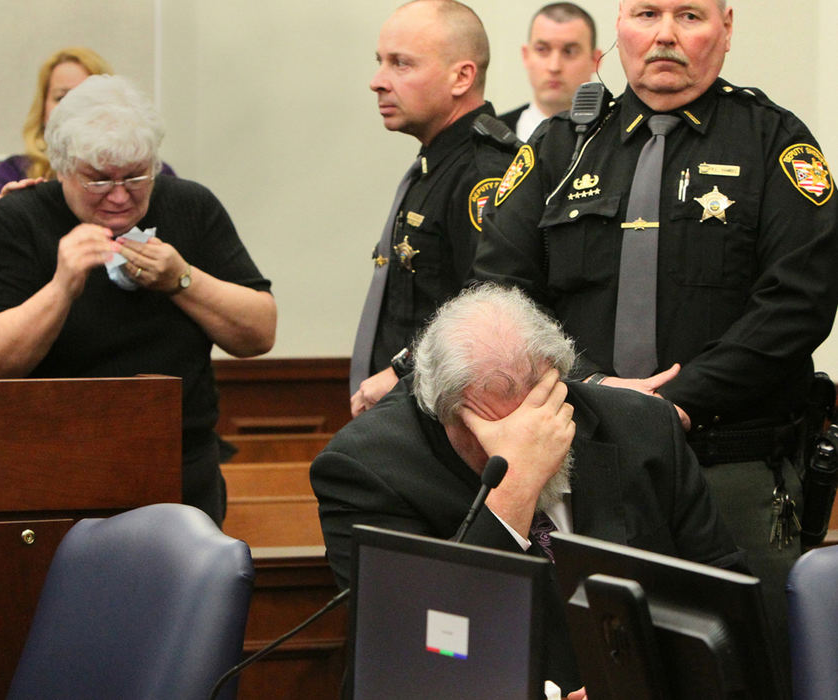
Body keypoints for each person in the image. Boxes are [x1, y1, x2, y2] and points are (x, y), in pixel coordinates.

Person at [472, 0, 838, 667]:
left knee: (742, 673)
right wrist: (589, 388)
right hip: (579, 468)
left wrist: (674, 404)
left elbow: (800, 303)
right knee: (585, 670)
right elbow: (500, 294)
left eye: (690, 16)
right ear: (619, 25)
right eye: (647, 12)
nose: (666, 34)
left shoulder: (774, 143)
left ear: (726, 29)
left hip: (730, 472)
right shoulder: (559, 147)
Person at [313, 283, 743, 695]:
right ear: (441, 414)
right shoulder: (364, 471)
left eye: (541, 409)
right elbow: (416, 655)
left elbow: (726, 611)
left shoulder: (645, 429)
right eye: (495, 430)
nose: (529, 436)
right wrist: (514, 486)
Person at [0, 75, 277, 526]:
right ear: (61, 168)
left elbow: (260, 333)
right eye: (98, 181)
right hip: (47, 466)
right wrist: (62, 287)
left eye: (136, 176)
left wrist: (183, 280)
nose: (119, 195)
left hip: (178, 466)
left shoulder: (190, 205)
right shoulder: (21, 218)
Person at [349, 0, 520, 417]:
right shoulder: (435, 164)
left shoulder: (483, 173)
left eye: (401, 64)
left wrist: (400, 371)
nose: (377, 81)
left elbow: (487, 308)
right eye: (380, 62)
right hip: (406, 412)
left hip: (444, 419)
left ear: (462, 77)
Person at [0, 47, 175, 244]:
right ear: (43, 108)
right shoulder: (16, 170)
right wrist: (3, 217)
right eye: (62, 97)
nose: (73, 107)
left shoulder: (157, 173)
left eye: (132, 178)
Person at [499, 3, 601, 142]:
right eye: (542, 49)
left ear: (595, 60)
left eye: (569, 51)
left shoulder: (614, 138)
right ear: (526, 55)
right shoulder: (489, 140)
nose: (554, 67)